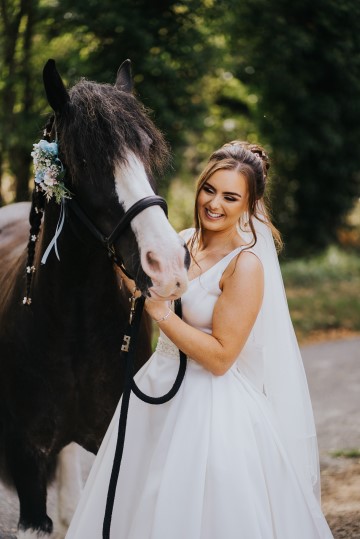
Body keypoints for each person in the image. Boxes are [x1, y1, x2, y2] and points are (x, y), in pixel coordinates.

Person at [65, 141, 333, 538]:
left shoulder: (244, 266)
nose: (214, 204)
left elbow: (223, 357)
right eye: (210, 189)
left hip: (210, 406)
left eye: (230, 197)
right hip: (156, 388)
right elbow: (145, 286)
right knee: (137, 496)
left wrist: (159, 314)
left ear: (249, 204)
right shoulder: (184, 240)